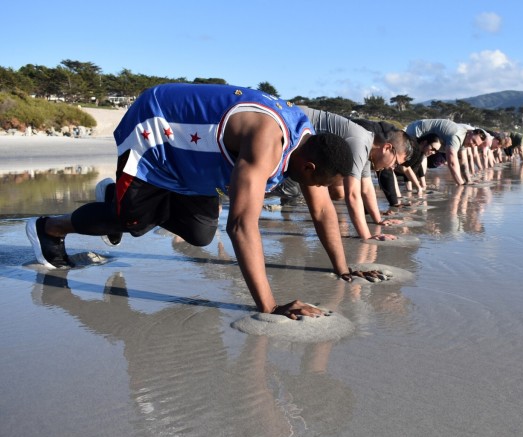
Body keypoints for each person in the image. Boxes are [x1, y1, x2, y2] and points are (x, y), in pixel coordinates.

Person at [26, 83, 382, 320]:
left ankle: (118, 198)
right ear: (310, 167)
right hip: (156, 135)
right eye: (322, 183)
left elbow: (321, 212)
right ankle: (51, 227)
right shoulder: (268, 144)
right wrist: (270, 307)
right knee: (130, 223)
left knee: (199, 234)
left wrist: (344, 269)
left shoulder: (308, 143)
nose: (325, 191)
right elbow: (242, 226)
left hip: (195, 163)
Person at [270, 108, 414, 240]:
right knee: (289, 188)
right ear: (387, 148)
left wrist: (379, 221)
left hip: (297, 137)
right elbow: (352, 194)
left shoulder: (367, 147)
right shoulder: (360, 143)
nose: (392, 167)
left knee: (321, 189)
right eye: (395, 162)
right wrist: (367, 237)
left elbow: (366, 188)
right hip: (285, 124)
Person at [405, 119, 486, 185]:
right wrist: (460, 183)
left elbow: (463, 162)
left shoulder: (466, 139)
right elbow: (452, 163)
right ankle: (414, 185)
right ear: (470, 133)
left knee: (423, 156)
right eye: (474, 141)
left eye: (476, 145)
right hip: (417, 130)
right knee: (417, 157)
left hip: (428, 135)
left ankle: (419, 183)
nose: (472, 145)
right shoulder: (456, 136)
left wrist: (468, 181)